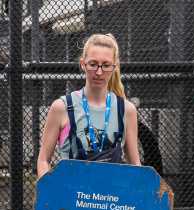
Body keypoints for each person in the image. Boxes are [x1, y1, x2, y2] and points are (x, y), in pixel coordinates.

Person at [37, 33, 141, 178]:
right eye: (93, 64)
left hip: (111, 198)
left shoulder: (126, 110)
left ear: (114, 67)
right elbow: (43, 160)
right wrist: (51, 191)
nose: (99, 72)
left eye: (105, 65)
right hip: (72, 196)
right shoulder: (62, 107)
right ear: (83, 64)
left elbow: (135, 165)